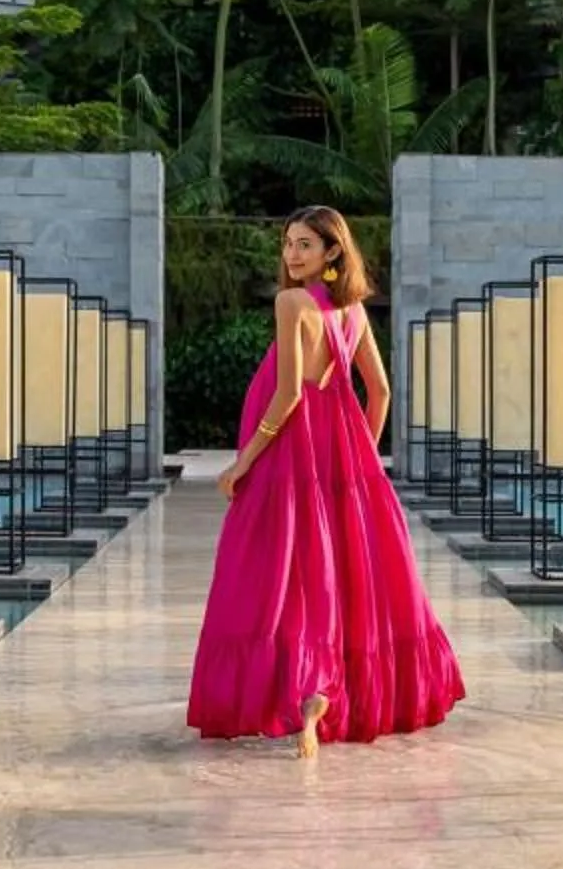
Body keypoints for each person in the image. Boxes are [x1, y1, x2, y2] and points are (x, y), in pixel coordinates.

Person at [187, 206, 465, 757]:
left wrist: (243, 461)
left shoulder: (292, 304)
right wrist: (357, 456)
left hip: (288, 459)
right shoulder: (354, 311)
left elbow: (289, 394)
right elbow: (379, 393)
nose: (292, 255)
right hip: (338, 461)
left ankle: (304, 692)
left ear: (332, 252)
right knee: (338, 578)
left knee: (276, 577)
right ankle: (326, 692)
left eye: (305, 245)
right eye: (288, 243)